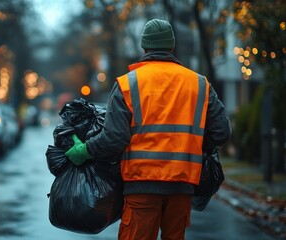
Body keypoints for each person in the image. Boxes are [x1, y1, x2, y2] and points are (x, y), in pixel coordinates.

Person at [65, 19, 232, 240]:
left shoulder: (128, 84)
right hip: (183, 185)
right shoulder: (199, 83)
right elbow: (222, 132)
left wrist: (85, 150)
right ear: (172, 47)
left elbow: (114, 139)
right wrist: (196, 146)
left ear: (144, 47)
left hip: (142, 187)